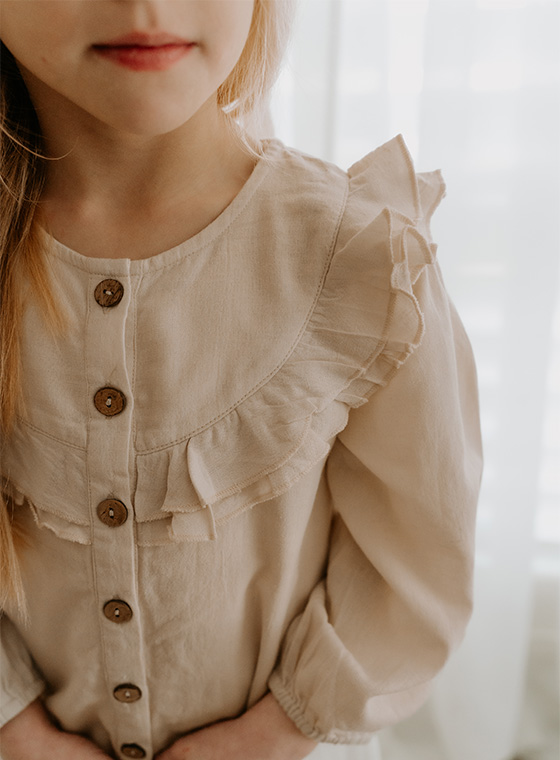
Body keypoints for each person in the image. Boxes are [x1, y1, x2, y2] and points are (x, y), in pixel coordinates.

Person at [0, 1, 483, 759]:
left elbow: (418, 565)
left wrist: (276, 732)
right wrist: (17, 730)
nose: (145, 4)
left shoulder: (360, 260)